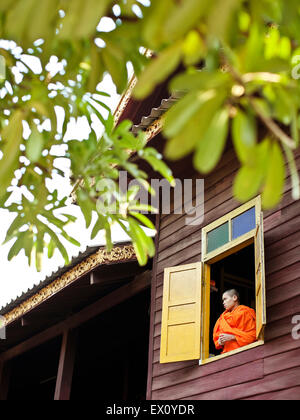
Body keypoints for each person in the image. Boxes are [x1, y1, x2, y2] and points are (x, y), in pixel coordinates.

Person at [213, 289, 256, 354]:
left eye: (225, 299)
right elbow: (217, 342)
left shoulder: (245, 313)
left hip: (244, 352)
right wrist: (220, 342)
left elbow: (253, 336)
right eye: (223, 300)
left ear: (234, 298)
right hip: (226, 354)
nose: (223, 302)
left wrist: (233, 337)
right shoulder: (222, 319)